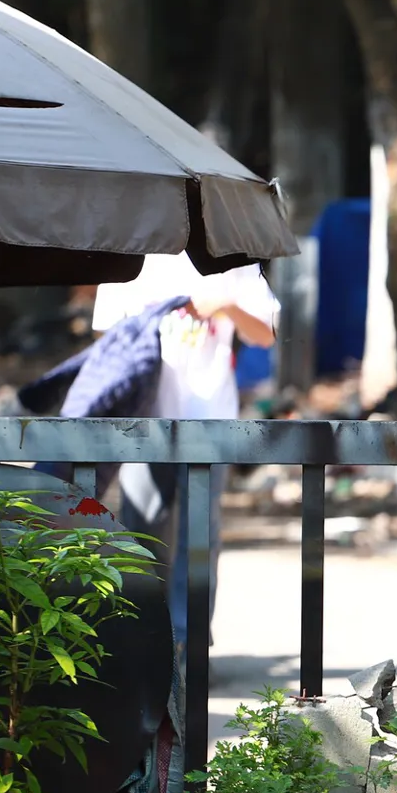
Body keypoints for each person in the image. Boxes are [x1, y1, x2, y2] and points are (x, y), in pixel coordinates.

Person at [90, 253, 280, 644]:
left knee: (199, 535)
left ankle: (187, 641)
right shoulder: (128, 257)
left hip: (209, 419)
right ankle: (145, 636)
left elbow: (265, 332)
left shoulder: (232, 260)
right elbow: (104, 336)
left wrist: (226, 307)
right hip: (143, 420)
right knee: (140, 531)